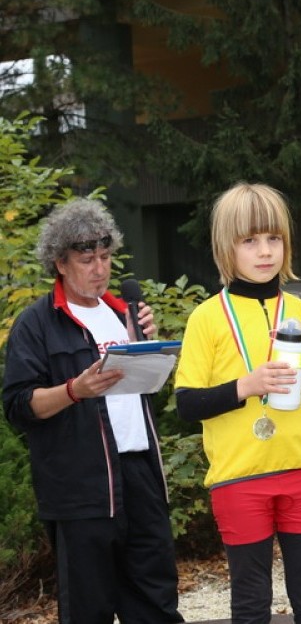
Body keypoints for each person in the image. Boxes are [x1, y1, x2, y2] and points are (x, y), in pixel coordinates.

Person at [2, 198, 184, 624]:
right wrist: (74, 390)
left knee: (156, 605)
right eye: (87, 259)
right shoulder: (36, 324)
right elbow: (17, 406)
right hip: (80, 487)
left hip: (140, 476)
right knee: (88, 611)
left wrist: (151, 350)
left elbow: (143, 395)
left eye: (105, 257)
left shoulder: (126, 314)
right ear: (60, 263)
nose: (99, 268)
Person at [174, 182, 301, 624]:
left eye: (274, 238)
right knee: (250, 604)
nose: (265, 251)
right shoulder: (206, 317)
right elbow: (186, 404)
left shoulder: (298, 310)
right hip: (239, 479)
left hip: (300, 471)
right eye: (250, 241)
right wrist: (246, 385)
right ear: (227, 247)